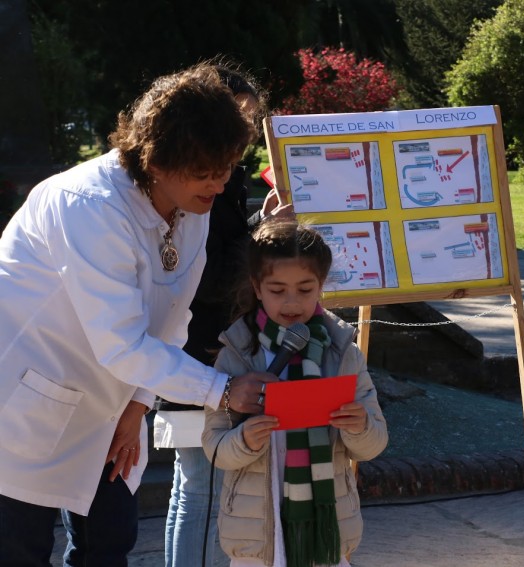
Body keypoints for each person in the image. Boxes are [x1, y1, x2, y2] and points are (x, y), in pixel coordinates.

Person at [0, 62, 279, 566]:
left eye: (228, 168)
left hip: (113, 402)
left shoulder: (191, 203)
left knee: (109, 546)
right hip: (26, 401)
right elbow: (123, 342)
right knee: (21, 550)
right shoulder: (88, 205)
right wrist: (219, 390)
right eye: (205, 172)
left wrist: (135, 409)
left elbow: (173, 320)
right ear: (157, 159)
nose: (219, 184)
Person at [154, 61, 293, 567]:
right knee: (202, 488)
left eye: (251, 122)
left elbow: (227, 243)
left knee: (190, 487)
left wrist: (262, 219)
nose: (246, 134)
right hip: (198, 355)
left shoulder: (220, 178)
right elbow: (206, 273)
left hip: (191, 357)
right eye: (240, 118)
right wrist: (262, 235)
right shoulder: (193, 183)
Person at [202, 219, 388, 567]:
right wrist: (245, 439)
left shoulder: (342, 352)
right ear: (257, 288)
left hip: (325, 535)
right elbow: (215, 451)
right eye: (277, 290)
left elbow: (374, 444)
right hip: (256, 536)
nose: (292, 302)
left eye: (305, 289)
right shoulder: (237, 354)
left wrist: (358, 426)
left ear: (321, 286)